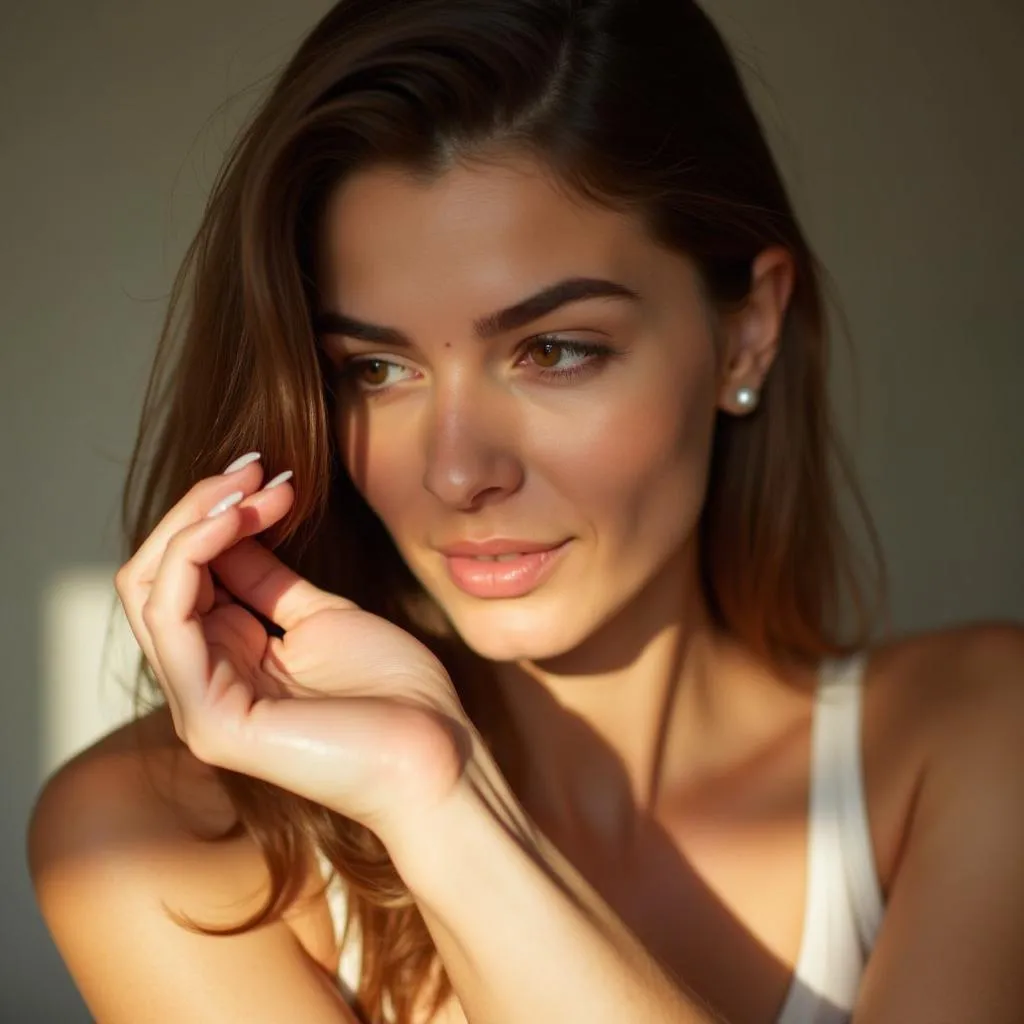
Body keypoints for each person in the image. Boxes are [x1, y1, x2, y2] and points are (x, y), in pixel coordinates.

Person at [27, 0, 1024, 1021]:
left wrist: (450, 811)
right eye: (374, 367)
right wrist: (422, 784)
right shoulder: (155, 841)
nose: (458, 473)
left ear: (747, 330)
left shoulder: (977, 741)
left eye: (553, 350)